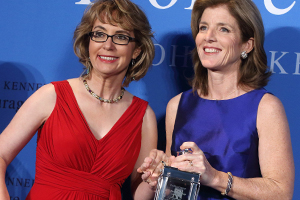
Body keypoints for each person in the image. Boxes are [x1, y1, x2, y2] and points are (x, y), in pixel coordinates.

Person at [0, 0, 158, 199]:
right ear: (88, 41)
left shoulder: (143, 116)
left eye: (120, 37)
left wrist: (152, 182)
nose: (107, 45)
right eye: (99, 34)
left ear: (136, 50)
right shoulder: (52, 96)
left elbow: (139, 193)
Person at [138, 0, 295, 199]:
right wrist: (158, 177)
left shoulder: (265, 107)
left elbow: (281, 193)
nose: (209, 37)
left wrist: (214, 177)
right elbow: (175, 190)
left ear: (247, 44)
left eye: (224, 29)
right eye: (204, 27)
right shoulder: (177, 105)